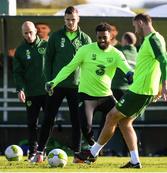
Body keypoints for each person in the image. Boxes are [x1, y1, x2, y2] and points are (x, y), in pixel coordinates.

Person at [76, 13, 167, 168]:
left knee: (111, 116)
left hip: (140, 90)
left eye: (135, 25)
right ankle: (135, 161)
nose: (134, 29)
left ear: (141, 23)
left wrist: (164, 86)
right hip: (144, 90)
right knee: (124, 122)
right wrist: (160, 86)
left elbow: (164, 62)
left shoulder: (153, 39)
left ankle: (92, 153)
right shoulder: (158, 38)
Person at [43, 22, 133, 162]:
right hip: (87, 97)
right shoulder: (85, 50)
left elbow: (127, 69)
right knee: (86, 128)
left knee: (124, 121)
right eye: (99, 37)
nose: (102, 40)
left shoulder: (116, 53)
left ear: (111, 37)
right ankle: (93, 150)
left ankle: (134, 157)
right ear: (96, 36)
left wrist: (130, 76)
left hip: (106, 96)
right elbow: (69, 67)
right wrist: (53, 82)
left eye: (105, 37)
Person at [31, 6, 92, 163]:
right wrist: (49, 81)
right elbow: (48, 60)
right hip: (56, 85)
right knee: (48, 118)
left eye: (73, 19)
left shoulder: (85, 39)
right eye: (67, 20)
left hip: (77, 87)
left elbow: (89, 64)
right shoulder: (56, 37)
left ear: (78, 19)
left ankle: (77, 155)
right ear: (64, 20)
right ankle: (39, 153)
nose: (70, 23)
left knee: (77, 120)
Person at [98, 31, 138, 156]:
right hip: (131, 93)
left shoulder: (119, 52)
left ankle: (98, 150)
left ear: (125, 41)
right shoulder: (138, 54)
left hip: (115, 90)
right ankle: (128, 152)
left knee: (107, 120)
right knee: (126, 123)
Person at [13, 21, 48, 161]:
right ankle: (33, 152)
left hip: (47, 92)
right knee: (32, 123)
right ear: (23, 34)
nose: (28, 35)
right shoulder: (20, 50)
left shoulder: (47, 45)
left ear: (36, 31)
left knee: (48, 121)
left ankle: (43, 150)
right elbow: (17, 72)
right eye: (25, 33)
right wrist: (20, 89)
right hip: (31, 93)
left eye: (30, 32)